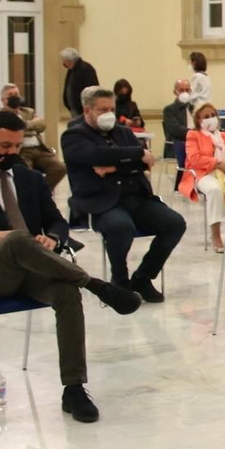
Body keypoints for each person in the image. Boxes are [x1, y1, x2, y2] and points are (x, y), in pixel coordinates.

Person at [0, 110, 142, 424]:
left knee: (67, 293)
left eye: (17, 146)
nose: (12, 153)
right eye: (4, 146)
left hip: (35, 268)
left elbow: (56, 220)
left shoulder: (31, 180)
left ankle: (74, 388)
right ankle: (96, 285)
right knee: (16, 239)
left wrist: (53, 238)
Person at [62, 86, 184, 303]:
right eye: (102, 110)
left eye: (112, 109)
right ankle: (120, 280)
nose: (109, 114)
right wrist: (137, 153)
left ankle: (143, 277)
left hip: (137, 197)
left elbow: (146, 164)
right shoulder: (74, 135)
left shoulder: (124, 133)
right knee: (121, 227)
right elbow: (97, 155)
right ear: (87, 111)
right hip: (101, 202)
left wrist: (115, 167)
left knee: (175, 223)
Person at [179, 101, 225, 252]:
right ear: (199, 120)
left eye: (213, 115)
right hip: (203, 174)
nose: (211, 118)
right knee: (215, 190)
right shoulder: (193, 135)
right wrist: (218, 163)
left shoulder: (224, 136)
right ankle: (215, 235)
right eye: (206, 116)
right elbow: (194, 159)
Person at [0, 84, 66, 189]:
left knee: (60, 168)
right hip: (22, 151)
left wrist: (26, 125)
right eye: (10, 95)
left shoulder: (28, 111)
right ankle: (33, 194)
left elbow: (42, 124)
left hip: (39, 149)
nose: (14, 97)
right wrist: (31, 127)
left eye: (16, 94)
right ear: (3, 100)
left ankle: (42, 191)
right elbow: (10, 130)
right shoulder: (0, 115)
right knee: (27, 175)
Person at [60, 48, 98, 120]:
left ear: (69, 61)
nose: (63, 63)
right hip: (74, 109)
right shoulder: (71, 70)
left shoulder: (86, 69)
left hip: (83, 109)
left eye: (64, 61)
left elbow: (92, 90)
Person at [162, 79, 193, 148]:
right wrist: (195, 133)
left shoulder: (194, 108)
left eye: (187, 90)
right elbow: (175, 130)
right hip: (177, 145)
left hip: (195, 144)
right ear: (175, 92)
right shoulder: (169, 110)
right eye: (181, 90)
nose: (185, 93)